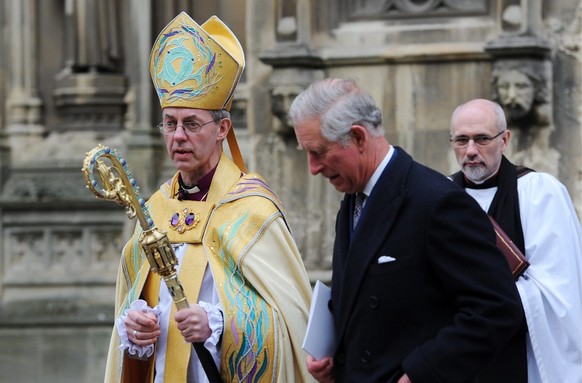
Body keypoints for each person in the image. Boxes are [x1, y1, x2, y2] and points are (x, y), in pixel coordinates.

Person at [103, 12, 314, 383]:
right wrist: (133, 326)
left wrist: (220, 326)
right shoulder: (153, 211)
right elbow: (136, 299)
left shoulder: (252, 210)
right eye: (169, 123)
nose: (178, 136)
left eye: (191, 123)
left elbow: (291, 326)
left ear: (222, 129)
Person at [288, 78, 525, 383]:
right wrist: (334, 354)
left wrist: (420, 373)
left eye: (319, 152)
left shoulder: (439, 202)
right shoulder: (352, 199)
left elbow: (497, 310)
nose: (312, 167)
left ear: (359, 138)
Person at [449, 98, 582, 383]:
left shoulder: (540, 194)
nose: (470, 150)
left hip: (523, 357)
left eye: (482, 139)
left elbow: (559, 294)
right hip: (456, 358)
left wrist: (481, 305)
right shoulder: (439, 197)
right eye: (461, 140)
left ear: (505, 140)